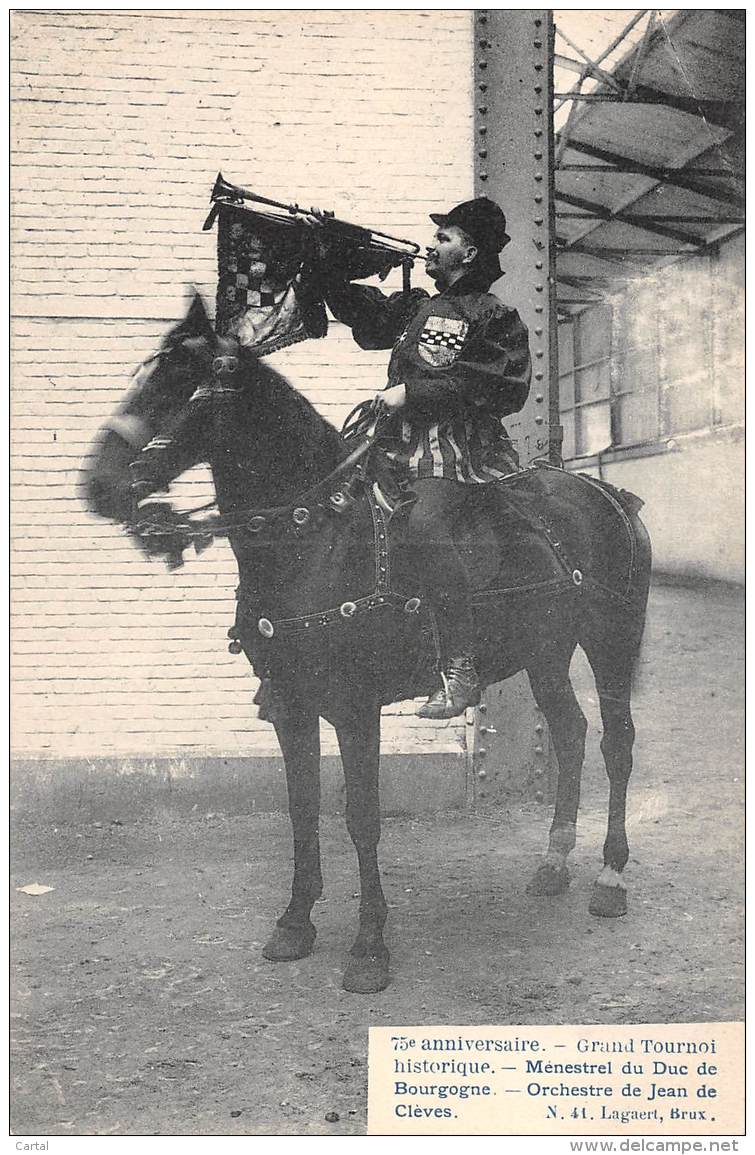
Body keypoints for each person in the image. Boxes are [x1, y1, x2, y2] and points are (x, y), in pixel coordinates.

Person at [312, 197, 531, 719]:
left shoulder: (494, 316)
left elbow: (500, 387)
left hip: (452, 449)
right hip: (390, 440)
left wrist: (410, 395)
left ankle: (461, 667)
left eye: (445, 238)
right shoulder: (415, 308)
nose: (432, 246)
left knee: (426, 526)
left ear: (470, 251)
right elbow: (361, 313)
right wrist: (330, 256)